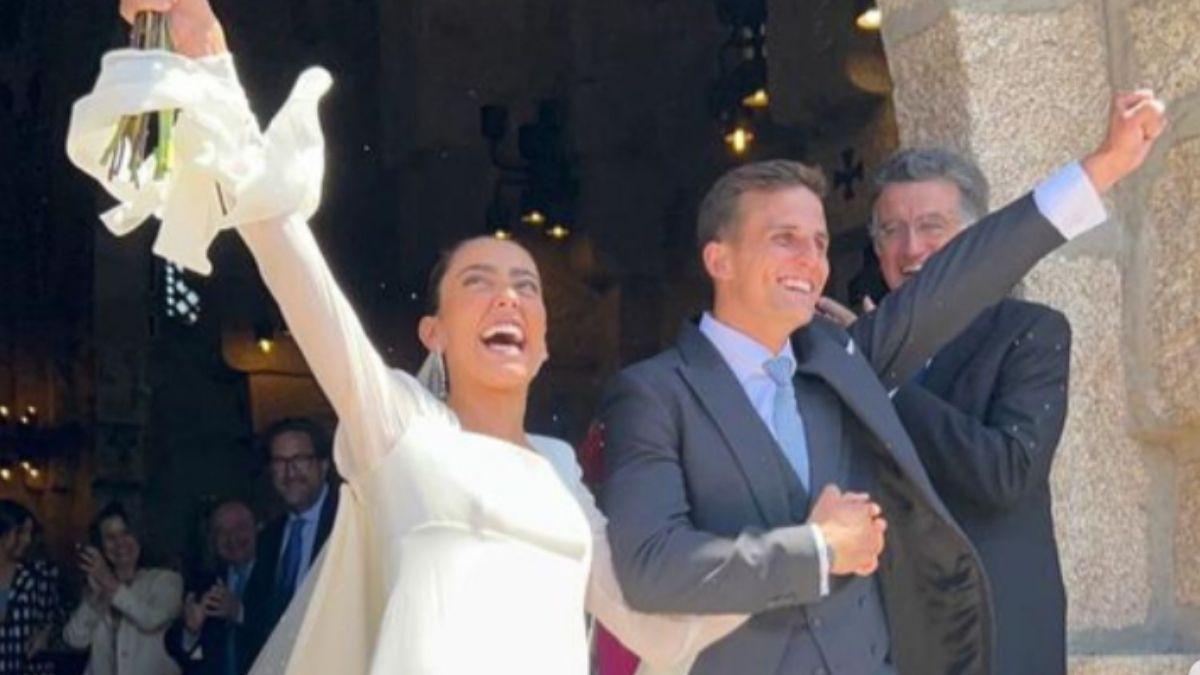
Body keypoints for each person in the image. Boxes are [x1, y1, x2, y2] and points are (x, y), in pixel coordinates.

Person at [82, 1, 748, 673]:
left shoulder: (563, 480)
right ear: (434, 332)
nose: (507, 297)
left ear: (546, 340)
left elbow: (659, 629)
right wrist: (212, 67)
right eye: (478, 282)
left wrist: (810, 551)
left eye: (527, 286)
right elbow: (287, 257)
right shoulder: (399, 427)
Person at [598, 97, 1166, 673]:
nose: (810, 260)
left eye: (819, 242)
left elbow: (970, 271)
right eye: (784, 238)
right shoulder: (654, 393)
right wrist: (815, 549)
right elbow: (651, 568)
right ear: (719, 260)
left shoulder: (844, 365)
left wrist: (1104, 166)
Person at [819, 148, 1072, 675]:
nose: (912, 248)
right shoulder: (847, 351)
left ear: (977, 241)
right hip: (885, 639)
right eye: (891, 230)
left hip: (996, 636)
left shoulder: (1030, 332)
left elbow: (1005, 474)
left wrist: (881, 384)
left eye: (932, 226)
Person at [238, 419, 338, 667]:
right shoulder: (268, 538)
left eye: (299, 460)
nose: (290, 472)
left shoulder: (349, 522)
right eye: (280, 462)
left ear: (323, 465)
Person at [64, 502, 183, 675]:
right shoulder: (97, 584)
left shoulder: (167, 580)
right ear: (101, 546)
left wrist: (108, 581)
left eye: (126, 533)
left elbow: (151, 619)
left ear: (140, 536)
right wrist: (94, 600)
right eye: (110, 537)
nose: (119, 543)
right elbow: (74, 639)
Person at [165, 499, 258, 675]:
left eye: (240, 527)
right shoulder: (204, 582)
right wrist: (191, 632)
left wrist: (239, 612)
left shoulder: (274, 576)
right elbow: (172, 644)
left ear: (257, 528)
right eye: (222, 531)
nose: (232, 538)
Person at [0, 501, 63, 675]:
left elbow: (58, 620)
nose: (27, 540)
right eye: (20, 532)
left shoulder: (39, 575)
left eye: (30, 533)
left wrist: (46, 634)